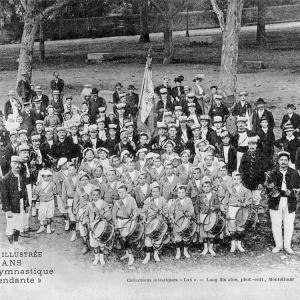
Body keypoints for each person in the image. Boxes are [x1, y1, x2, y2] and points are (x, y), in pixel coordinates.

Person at [266, 151, 300, 254]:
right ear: (278, 161)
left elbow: (298, 187)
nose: (283, 162)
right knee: (276, 223)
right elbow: (268, 189)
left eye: (286, 160)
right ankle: (278, 245)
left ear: (288, 161)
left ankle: (287, 246)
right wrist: (275, 191)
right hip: (276, 201)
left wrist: (293, 191)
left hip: (290, 201)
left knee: (289, 224)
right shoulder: (272, 173)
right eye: (281, 160)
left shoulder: (294, 173)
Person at [1, 156, 29, 250]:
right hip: (11, 206)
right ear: (11, 164)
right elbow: (4, 197)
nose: (17, 165)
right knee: (10, 226)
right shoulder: (6, 179)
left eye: (19, 163)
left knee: (18, 225)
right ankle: (11, 246)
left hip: (21, 203)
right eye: (15, 163)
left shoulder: (21, 176)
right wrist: (7, 210)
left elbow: (24, 191)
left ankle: (16, 243)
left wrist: (27, 204)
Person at [141, 182, 169, 264]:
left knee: (158, 238)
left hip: (160, 222)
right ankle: (147, 255)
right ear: (151, 192)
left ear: (159, 191)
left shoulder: (163, 200)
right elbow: (143, 211)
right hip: (150, 222)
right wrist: (144, 218)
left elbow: (166, 210)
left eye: (157, 191)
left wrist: (165, 214)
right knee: (148, 239)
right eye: (153, 191)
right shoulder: (148, 200)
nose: (155, 193)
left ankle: (156, 254)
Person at [224, 171, 252, 253]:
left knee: (240, 228)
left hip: (241, 210)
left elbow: (249, 200)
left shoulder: (246, 190)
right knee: (232, 228)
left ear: (241, 180)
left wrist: (244, 204)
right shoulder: (230, 190)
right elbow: (226, 200)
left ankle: (239, 245)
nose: (236, 181)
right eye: (234, 179)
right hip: (232, 209)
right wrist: (226, 208)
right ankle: (233, 245)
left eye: (238, 179)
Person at [112, 183, 139, 266]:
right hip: (120, 221)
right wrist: (116, 223)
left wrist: (134, 215)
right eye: (119, 192)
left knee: (126, 238)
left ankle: (131, 256)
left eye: (123, 192)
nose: (121, 194)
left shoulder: (131, 199)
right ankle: (127, 253)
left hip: (129, 221)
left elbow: (135, 210)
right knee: (122, 239)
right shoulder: (117, 202)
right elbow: (113, 214)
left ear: (126, 191)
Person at [85, 186, 113, 265]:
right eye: (93, 195)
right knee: (94, 244)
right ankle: (96, 257)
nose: (95, 196)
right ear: (91, 195)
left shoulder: (104, 203)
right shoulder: (89, 204)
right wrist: (88, 223)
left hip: (101, 225)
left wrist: (104, 216)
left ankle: (101, 258)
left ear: (100, 195)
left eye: (97, 195)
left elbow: (108, 214)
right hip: (92, 226)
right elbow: (86, 216)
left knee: (101, 243)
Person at [169, 184, 195, 259]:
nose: (181, 194)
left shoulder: (188, 200)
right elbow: (171, 212)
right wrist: (172, 218)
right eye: (179, 192)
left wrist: (187, 214)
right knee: (178, 237)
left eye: (183, 192)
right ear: (177, 193)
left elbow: (191, 211)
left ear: (185, 193)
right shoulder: (175, 201)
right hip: (177, 222)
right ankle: (178, 252)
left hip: (186, 221)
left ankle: (185, 251)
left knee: (186, 237)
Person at [197, 176, 221, 256]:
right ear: (202, 187)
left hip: (212, 216)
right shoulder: (200, 196)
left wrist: (214, 207)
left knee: (211, 232)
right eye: (204, 186)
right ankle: (205, 248)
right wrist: (198, 216)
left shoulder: (214, 195)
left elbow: (219, 205)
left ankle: (210, 248)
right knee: (204, 233)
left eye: (208, 186)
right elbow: (197, 207)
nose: (206, 188)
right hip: (203, 216)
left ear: (210, 186)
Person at [33, 169, 57, 234]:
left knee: (49, 214)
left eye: (48, 176)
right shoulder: (39, 184)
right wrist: (35, 199)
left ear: (50, 177)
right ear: (42, 177)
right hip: (42, 202)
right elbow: (36, 193)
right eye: (44, 176)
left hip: (50, 201)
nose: (46, 178)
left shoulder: (52, 184)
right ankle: (42, 226)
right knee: (41, 214)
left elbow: (55, 192)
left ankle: (48, 227)